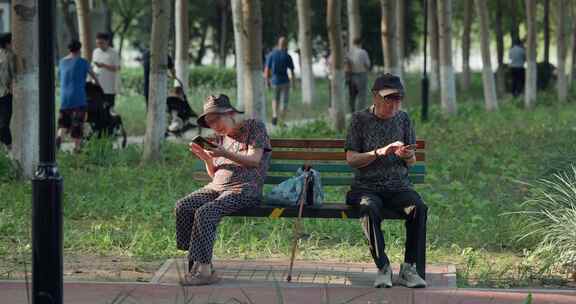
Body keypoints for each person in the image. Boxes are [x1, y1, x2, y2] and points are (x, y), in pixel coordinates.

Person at [175, 94, 271, 285]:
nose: (214, 125)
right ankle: (197, 260)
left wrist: (224, 152)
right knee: (183, 207)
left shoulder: (254, 127)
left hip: (244, 189)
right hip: (216, 187)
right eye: (209, 122)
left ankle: (204, 271)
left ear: (231, 113)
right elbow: (214, 174)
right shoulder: (220, 139)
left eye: (216, 119)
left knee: (206, 212)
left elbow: (254, 160)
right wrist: (206, 158)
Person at [345, 73, 427, 288]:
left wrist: (406, 155)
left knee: (418, 207)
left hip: (398, 187)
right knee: (368, 208)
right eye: (388, 98)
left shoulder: (404, 119)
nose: (393, 104)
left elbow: (412, 161)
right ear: (375, 97)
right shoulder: (359, 120)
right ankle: (383, 267)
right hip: (366, 187)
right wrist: (380, 152)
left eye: (397, 99)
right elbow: (351, 159)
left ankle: (409, 268)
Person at [57, 40, 100, 152]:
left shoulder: (61, 62)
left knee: (63, 124)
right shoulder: (83, 62)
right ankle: (76, 148)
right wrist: (97, 85)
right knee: (77, 124)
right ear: (79, 49)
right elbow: (94, 77)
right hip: (79, 99)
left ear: (69, 49)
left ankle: (58, 141)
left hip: (64, 99)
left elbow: (59, 79)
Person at [134, 42, 175, 109]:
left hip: (148, 86)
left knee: (149, 106)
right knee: (160, 105)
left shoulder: (146, 54)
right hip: (160, 86)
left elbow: (147, 66)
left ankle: (150, 118)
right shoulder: (165, 55)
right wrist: (173, 76)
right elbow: (172, 69)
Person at [264, 37, 294, 126]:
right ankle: (282, 121)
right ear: (285, 45)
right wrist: (293, 83)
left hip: (275, 81)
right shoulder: (287, 56)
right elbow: (292, 71)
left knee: (275, 99)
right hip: (285, 82)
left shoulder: (271, 55)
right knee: (284, 102)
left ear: (278, 44)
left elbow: (267, 70)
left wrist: (267, 82)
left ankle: (275, 115)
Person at [92, 32, 120, 112]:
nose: (99, 45)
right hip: (97, 85)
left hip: (109, 87)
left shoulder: (114, 52)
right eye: (97, 43)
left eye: (101, 43)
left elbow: (117, 68)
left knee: (109, 108)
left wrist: (104, 65)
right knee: (97, 108)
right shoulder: (95, 51)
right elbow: (93, 65)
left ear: (107, 41)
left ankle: (109, 123)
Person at [346, 37, 371, 112]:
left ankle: (352, 111)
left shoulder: (349, 52)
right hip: (361, 74)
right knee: (361, 95)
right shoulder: (363, 52)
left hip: (351, 75)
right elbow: (367, 64)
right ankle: (360, 111)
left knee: (352, 96)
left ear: (353, 43)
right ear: (360, 43)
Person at [0, 33, 15, 152]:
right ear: (8, 43)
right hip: (5, 95)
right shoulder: (9, 56)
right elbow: (16, 74)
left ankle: (9, 151)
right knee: (4, 125)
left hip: (5, 94)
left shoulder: (11, 56)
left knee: (4, 125)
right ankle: (10, 150)